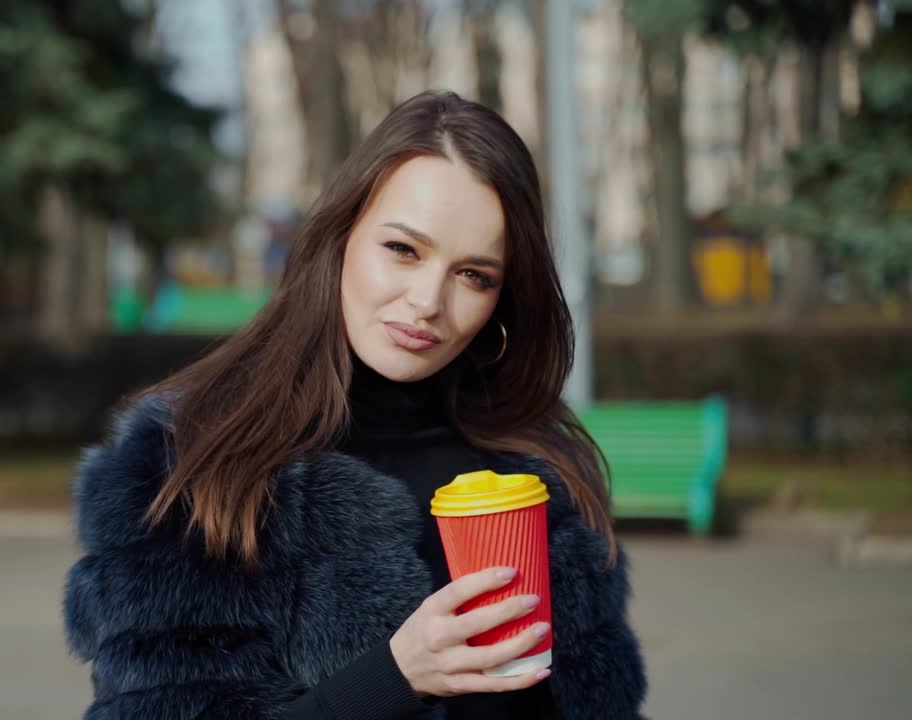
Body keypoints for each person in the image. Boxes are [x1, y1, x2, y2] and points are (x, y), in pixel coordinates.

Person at [64, 90, 647, 719]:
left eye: (474, 275)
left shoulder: (537, 469)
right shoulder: (192, 460)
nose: (428, 300)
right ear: (341, 238)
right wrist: (393, 678)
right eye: (403, 249)